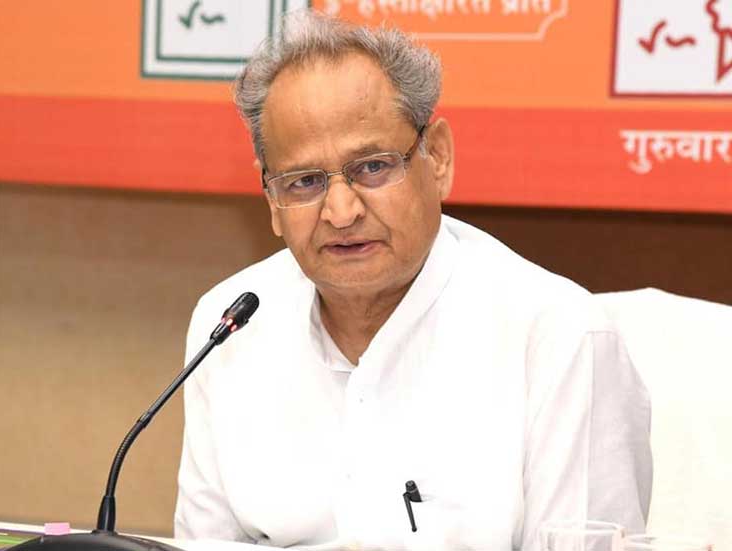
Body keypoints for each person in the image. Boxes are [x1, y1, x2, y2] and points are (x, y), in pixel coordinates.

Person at [174, 10, 652, 550]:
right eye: (304, 181)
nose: (341, 212)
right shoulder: (230, 325)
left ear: (438, 158)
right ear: (272, 201)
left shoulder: (559, 336)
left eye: (373, 167)